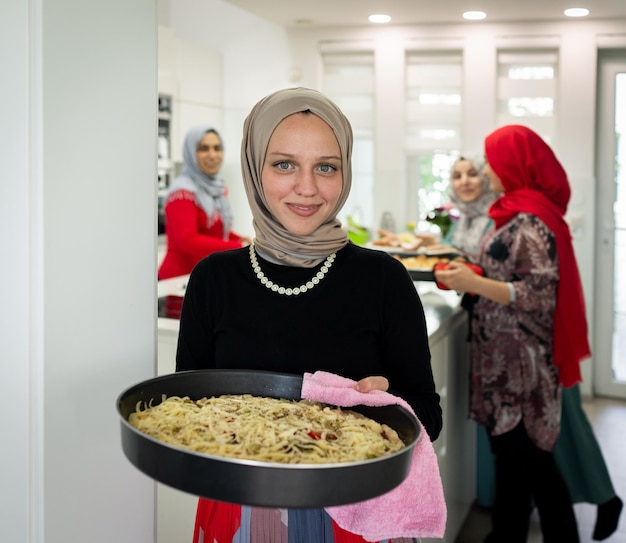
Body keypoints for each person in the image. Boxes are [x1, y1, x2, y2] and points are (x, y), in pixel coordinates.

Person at [175, 87, 443, 543]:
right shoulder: (213, 279)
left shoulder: (384, 279)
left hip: (359, 516)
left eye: (326, 167)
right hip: (240, 513)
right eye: (284, 164)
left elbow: (428, 420)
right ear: (255, 169)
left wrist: (388, 400)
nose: (307, 187)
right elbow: (187, 410)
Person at [440, 154, 623, 540]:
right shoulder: (517, 213)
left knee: (533, 461)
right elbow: (509, 272)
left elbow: (539, 294)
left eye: (489, 163)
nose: (486, 172)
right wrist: (476, 274)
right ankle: (507, 532)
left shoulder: (530, 222)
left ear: (514, 166)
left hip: (521, 363)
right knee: (512, 460)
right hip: (506, 358)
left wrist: (475, 284)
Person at [158, 125, 250, 280]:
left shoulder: (216, 189)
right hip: (179, 280)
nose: (212, 155)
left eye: (217, 148)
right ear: (191, 152)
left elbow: (215, 230)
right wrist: (236, 248)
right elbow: (187, 240)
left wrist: (238, 238)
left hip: (203, 274)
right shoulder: (181, 192)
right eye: (204, 148)